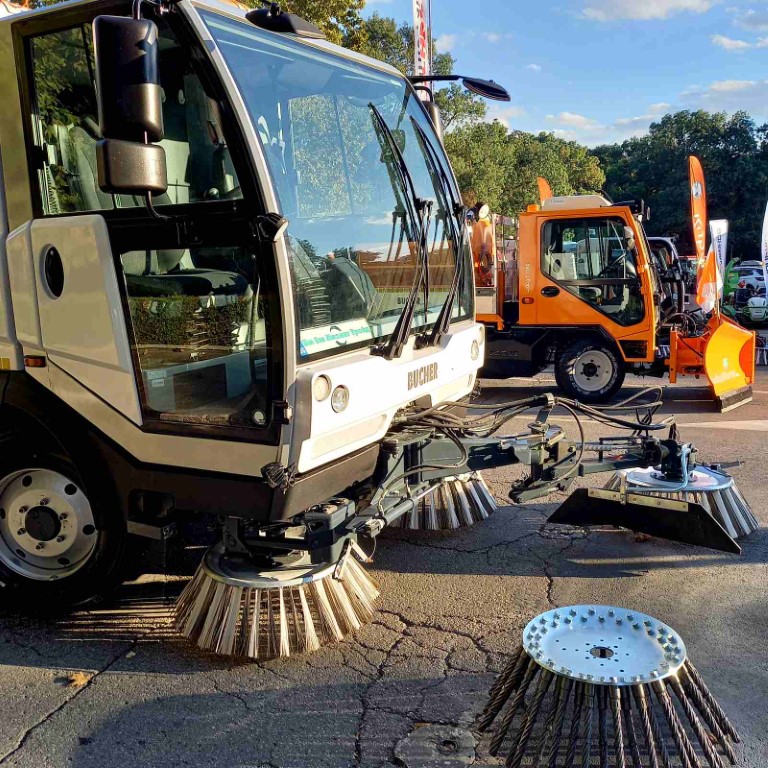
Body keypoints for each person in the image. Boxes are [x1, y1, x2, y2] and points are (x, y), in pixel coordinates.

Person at [471, 202, 496, 288]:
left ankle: (485, 280)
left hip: (486, 256)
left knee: (485, 267)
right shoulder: (474, 223)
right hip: (477, 256)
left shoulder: (487, 223)